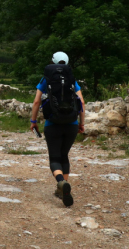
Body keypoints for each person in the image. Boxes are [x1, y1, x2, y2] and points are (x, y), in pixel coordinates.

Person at [30, 51, 85, 207]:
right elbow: (81, 102)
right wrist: (81, 123)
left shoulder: (46, 79)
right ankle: (63, 187)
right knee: (64, 155)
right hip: (72, 124)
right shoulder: (72, 80)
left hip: (52, 124)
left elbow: (36, 102)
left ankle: (61, 182)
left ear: (52, 62)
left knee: (54, 158)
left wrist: (33, 121)